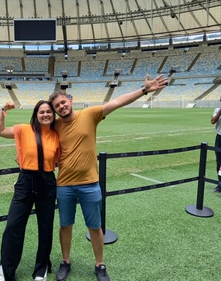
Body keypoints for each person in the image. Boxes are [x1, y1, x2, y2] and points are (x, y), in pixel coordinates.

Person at [49, 74, 168, 281]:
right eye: (57, 106)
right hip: (64, 185)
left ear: (70, 100)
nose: (61, 107)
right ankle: (65, 261)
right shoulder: (55, 126)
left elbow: (117, 102)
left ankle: (99, 264)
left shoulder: (90, 114)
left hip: (90, 184)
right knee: (65, 225)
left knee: (94, 226)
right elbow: (37, 137)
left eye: (63, 102)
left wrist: (144, 90)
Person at [0, 100, 60, 281]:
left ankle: (41, 270)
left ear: (53, 115)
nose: (45, 114)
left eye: (48, 112)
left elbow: (59, 159)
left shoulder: (56, 135)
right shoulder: (24, 129)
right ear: (36, 115)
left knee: (45, 227)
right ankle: (6, 271)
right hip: (25, 180)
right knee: (13, 226)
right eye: (41, 112)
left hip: (47, 182)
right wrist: (3, 111)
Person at [210, 97, 221, 192]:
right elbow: (212, 121)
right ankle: (220, 184)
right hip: (220, 138)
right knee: (219, 162)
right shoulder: (217, 109)